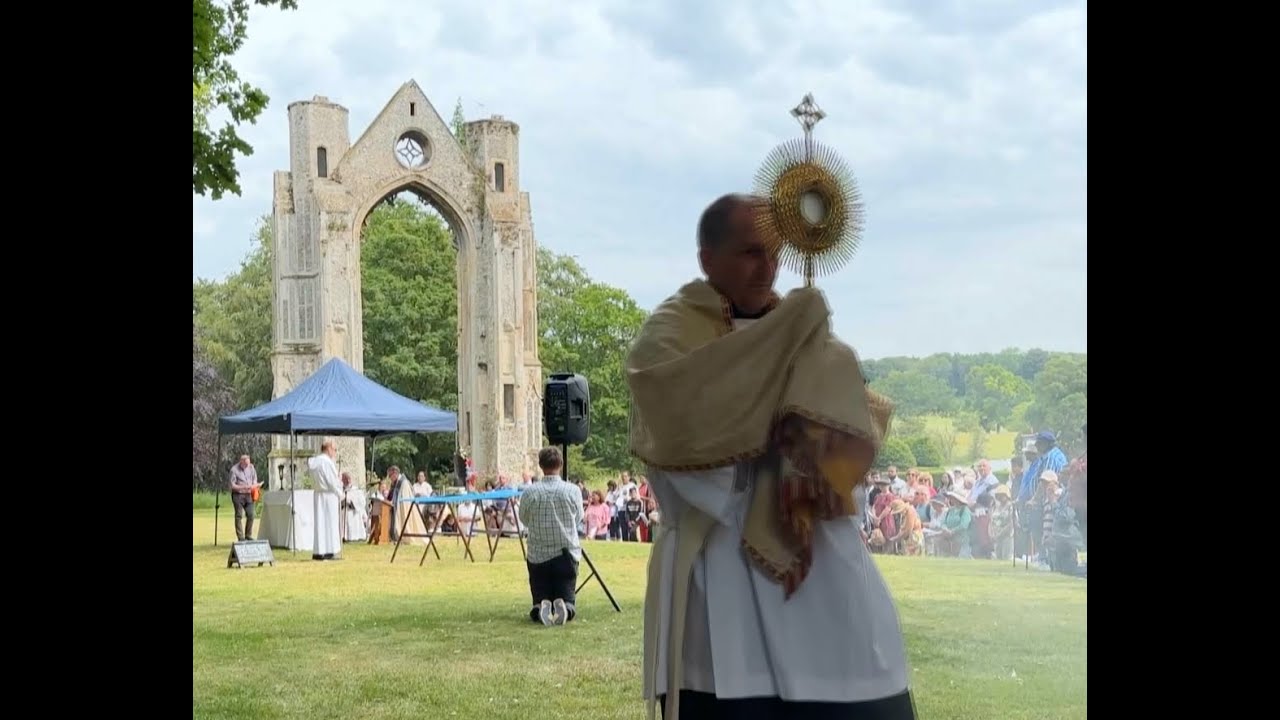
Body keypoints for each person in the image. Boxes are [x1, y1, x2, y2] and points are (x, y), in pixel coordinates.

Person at [628, 193, 917, 719]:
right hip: (720, 563)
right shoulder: (669, 340)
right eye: (750, 252)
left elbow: (845, 453)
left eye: (775, 252)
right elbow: (691, 448)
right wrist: (781, 437)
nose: (769, 267)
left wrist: (819, 456)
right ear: (706, 259)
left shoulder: (811, 341)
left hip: (822, 559)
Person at [519, 446, 584, 626]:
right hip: (566, 555)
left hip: (538, 556)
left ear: (540, 465)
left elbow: (523, 518)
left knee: (540, 593)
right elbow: (578, 517)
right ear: (561, 464)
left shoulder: (530, 492)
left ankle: (540, 607)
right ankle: (566, 607)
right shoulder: (573, 491)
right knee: (567, 594)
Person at [306, 439, 343, 561]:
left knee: (320, 523)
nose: (335, 452)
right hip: (328, 495)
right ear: (328, 449)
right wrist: (340, 493)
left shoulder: (315, 461)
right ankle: (329, 550)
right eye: (334, 449)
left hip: (318, 494)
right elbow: (331, 481)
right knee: (329, 523)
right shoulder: (326, 462)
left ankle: (319, 550)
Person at [228, 454, 261, 541]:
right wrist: (243, 487)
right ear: (241, 462)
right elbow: (232, 485)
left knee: (251, 515)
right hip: (238, 495)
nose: (247, 466)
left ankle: (248, 535)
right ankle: (241, 537)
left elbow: (254, 478)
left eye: (248, 464)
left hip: (249, 494)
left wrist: (254, 485)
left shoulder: (251, 467)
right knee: (239, 515)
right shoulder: (234, 470)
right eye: (245, 464)